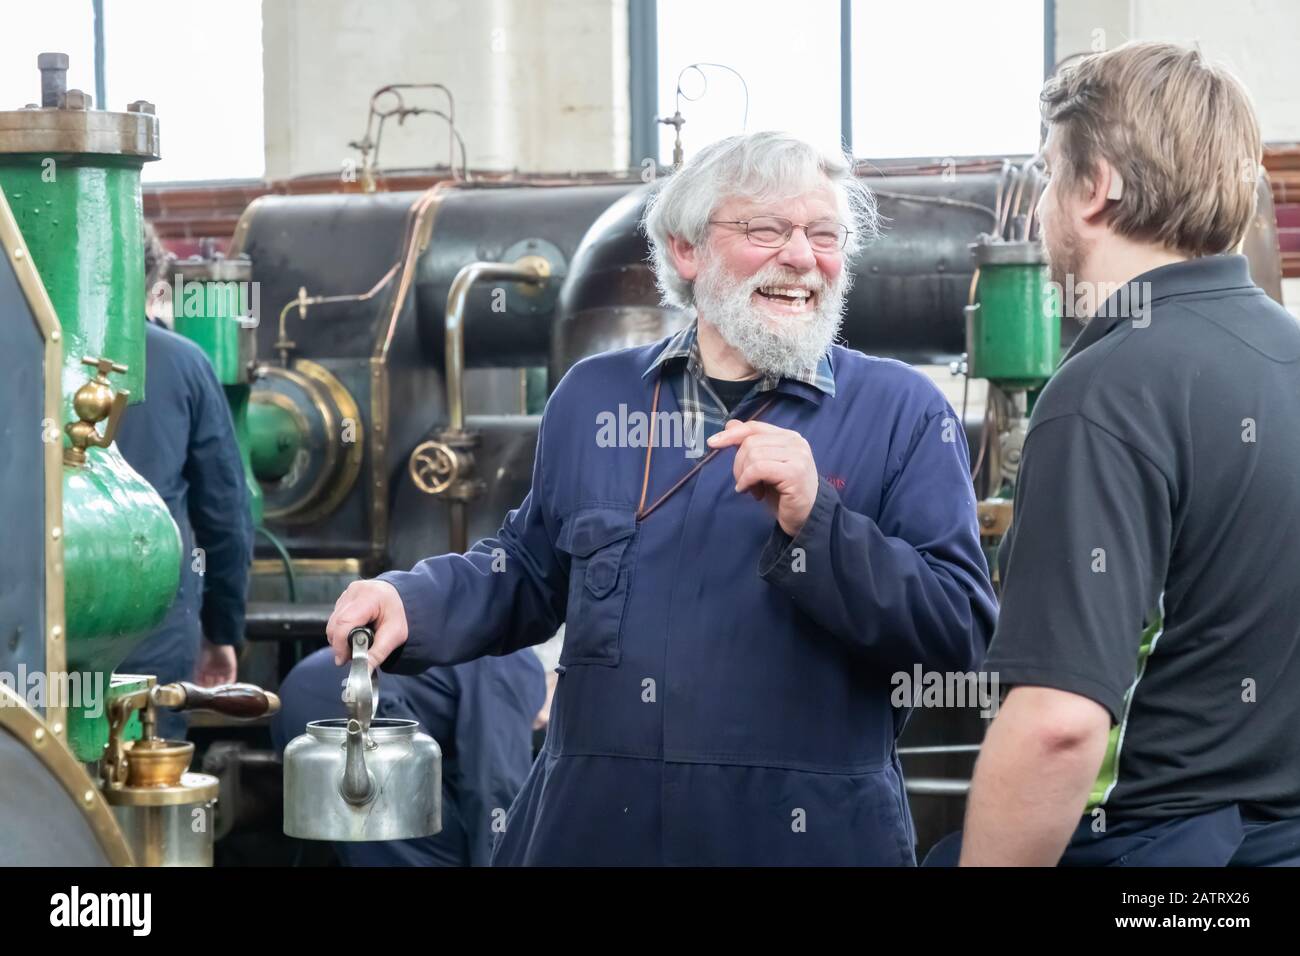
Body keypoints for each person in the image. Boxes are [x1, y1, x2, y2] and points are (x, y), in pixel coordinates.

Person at [326, 131, 997, 865]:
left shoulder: (901, 413)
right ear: (686, 250)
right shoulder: (596, 396)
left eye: (824, 235)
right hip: (593, 831)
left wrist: (819, 525)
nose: (803, 257)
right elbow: (525, 572)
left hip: (804, 836)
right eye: (766, 229)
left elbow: (957, 631)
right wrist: (410, 603)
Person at [935, 41, 1300, 866]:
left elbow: (1059, 727)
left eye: (1048, 171)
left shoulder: (1106, 390)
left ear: (1097, 186)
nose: (1036, 209)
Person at [116, 225, 254, 741]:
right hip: (154, 621)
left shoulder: (22, 356)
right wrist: (222, 630)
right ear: (153, 284)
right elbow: (224, 513)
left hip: (26, 628)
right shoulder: (185, 363)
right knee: (147, 780)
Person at [271, 646, 546, 866]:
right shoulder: (518, 664)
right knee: (444, 853)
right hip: (360, 713)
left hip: (296, 703)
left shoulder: (467, 633)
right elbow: (495, 786)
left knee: (369, 841)